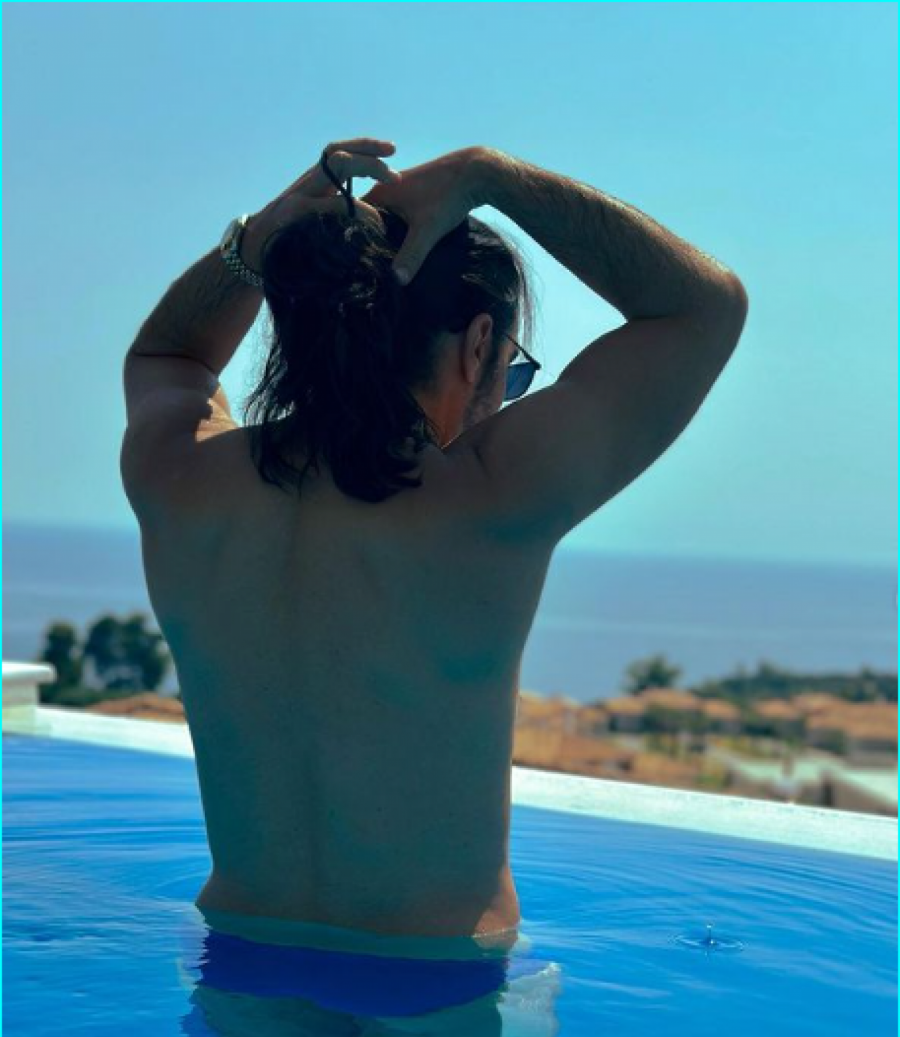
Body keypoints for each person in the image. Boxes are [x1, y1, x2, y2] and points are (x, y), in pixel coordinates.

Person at [121, 138, 747, 944]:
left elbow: (169, 353)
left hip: (240, 948)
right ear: (477, 345)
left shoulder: (180, 475)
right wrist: (494, 175)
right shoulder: (492, 498)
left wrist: (258, 241)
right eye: (510, 371)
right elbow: (703, 306)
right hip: (436, 972)